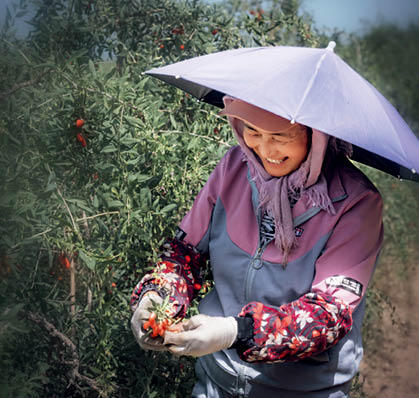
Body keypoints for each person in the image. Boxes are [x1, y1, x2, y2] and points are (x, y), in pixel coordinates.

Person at [130, 96, 383, 398]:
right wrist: (158, 296)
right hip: (216, 382)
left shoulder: (355, 202)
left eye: (280, 136)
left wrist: (236, 332)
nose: (264, 149)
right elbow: (185, 254)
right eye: (252, 130)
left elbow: (327, 315)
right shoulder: (234, 168)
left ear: (317, 135)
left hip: (303, 391)